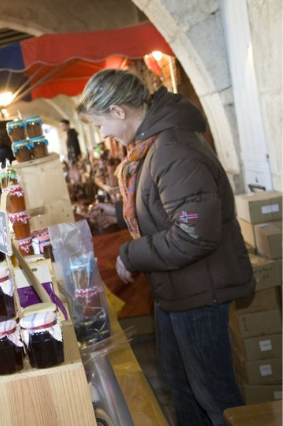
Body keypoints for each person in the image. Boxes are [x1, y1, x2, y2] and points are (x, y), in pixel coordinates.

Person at [79, 69, 254, 425]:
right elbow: (167, 202)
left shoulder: (172, 148)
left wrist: (130, 253)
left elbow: (193, 234)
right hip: (179, 290)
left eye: (100, 125)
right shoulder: (154, 145)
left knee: (215, 398)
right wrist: (116, 213)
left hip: (201, 293)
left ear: (117, 111)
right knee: (182, 386)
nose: (105, 135)